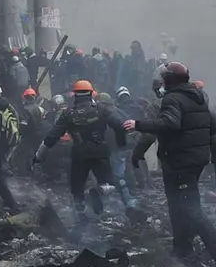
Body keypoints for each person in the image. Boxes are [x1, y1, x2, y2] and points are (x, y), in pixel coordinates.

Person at [123, 62, 216, 267]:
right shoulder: (198, 97)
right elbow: (213, 126)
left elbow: (169, 124)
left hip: (180, 160)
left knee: (191, 209)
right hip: (194, 159)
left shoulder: (172, 99)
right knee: (178, 205)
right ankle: (182, 248)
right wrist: (215, 150)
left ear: (170, 81)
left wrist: (138, 124)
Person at [34, 80, 140, 224]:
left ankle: (81, 216)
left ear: (75, 94)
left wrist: (39, 155)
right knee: (108, 183)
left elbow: (52, 136)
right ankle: (99, 191)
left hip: (79, 153)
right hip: (100, 152)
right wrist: (121, 143)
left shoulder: (68, 113)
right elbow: (119, 126)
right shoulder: (102, 109)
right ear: (91, 93)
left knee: (77, 187)